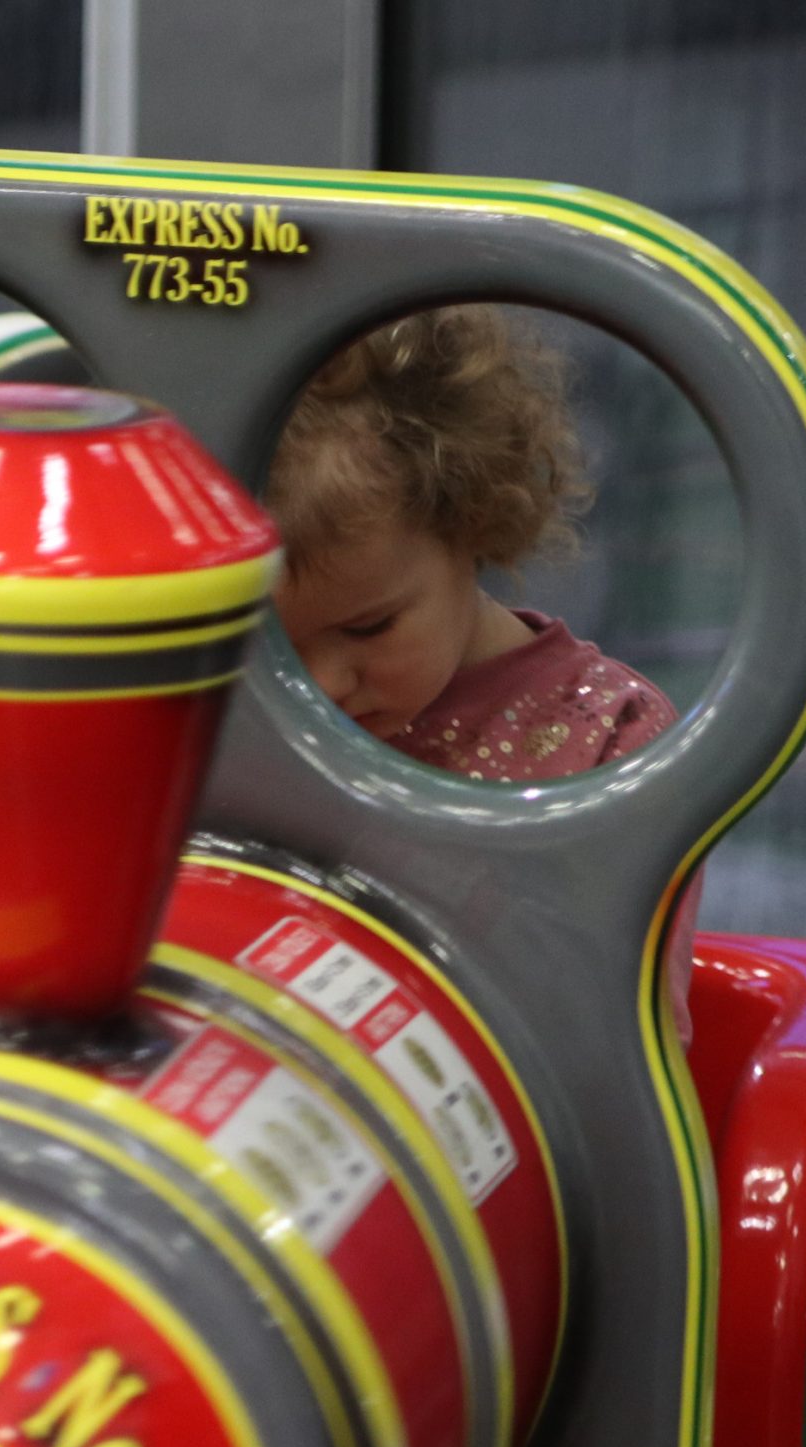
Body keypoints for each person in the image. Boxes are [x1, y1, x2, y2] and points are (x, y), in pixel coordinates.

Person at [265, 305, 698, 1035]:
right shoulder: (227, 709)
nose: (323, 686)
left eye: (369, 628)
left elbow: (616, 1049)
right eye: (265, 640)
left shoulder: (607, 744)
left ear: (469, 519)